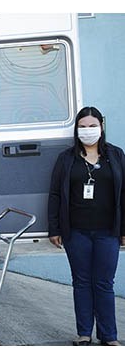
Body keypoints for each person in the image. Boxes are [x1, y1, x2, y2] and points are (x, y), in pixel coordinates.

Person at [48, 106, 124, 346]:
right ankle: (83, 333)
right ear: (76, 130)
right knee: (81, 282)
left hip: (108, 232)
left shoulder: (116, 155)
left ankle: (109, 336)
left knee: (104, 283)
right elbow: (55, 195)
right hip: (76, 232)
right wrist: (55, 228)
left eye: (92, 126)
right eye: (83, 127)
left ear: (101, 127)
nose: (88, 131)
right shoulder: (66, 158)